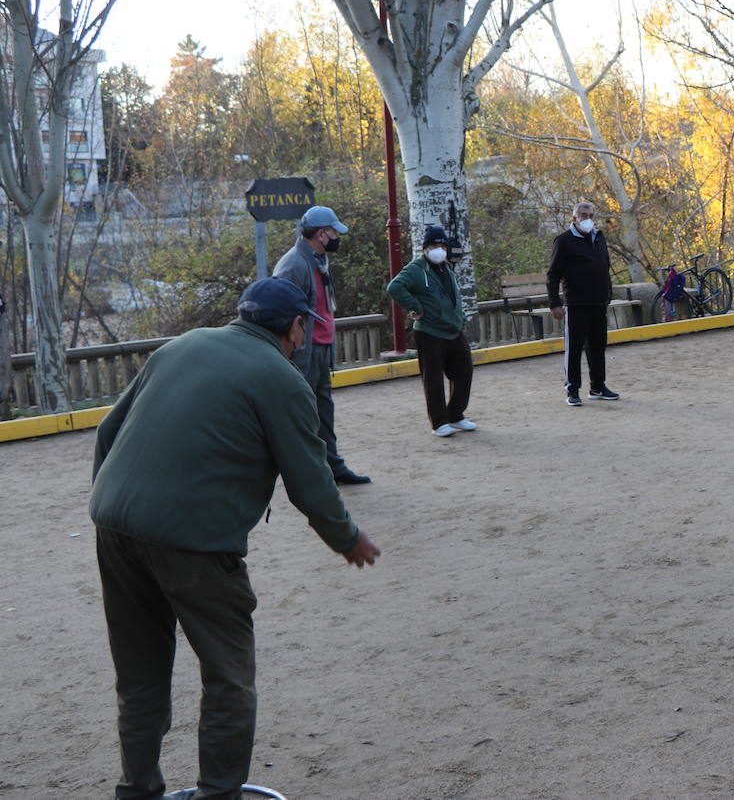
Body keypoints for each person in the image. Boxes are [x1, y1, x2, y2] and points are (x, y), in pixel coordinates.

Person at [90, 277, 381, 800]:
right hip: (196, 542)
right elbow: (310, 482)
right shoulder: (282, 378)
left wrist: (118, 505)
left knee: (139, 674)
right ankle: (220, 794)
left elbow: (109, 431)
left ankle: (137, 791)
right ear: (295, 326)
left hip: (114, 526)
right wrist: (347, 537)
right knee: (228, 676)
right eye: (303, 329)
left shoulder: (180, 346)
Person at [273, 204, 369, 484]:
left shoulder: (317, 260)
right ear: (321, 234)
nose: (338, 236)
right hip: (305, 351)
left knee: (323, 412)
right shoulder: (293, 264)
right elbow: (281, 312)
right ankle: (308, 474)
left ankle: (333, 467)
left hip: (320, 346)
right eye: (334, 231)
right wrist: (295, 350)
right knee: (303, 414)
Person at [387, 225, 476, 437]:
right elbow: (395, 287)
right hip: (430, 331)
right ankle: (439, 422)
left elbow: (454, 296)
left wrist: (461, 318)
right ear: (426, 248)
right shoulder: (416, 268)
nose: (440, 249)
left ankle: (456, 414)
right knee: (433, 378)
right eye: (435, 246)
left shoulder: (447, 267)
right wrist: (416, 306)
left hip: (453, 329)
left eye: (442, 245)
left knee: (464, 371)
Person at [547, 200, 619, 407]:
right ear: (575, 218)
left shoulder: (599, 237)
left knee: (598, 347)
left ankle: (598, 386)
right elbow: (553, 274)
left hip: (598, 302)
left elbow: (605, 266)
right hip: (576, 303)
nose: (588, 219)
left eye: (591, 215)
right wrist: (555, 303)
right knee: (575, 348)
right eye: (584, 215)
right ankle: (572, 389)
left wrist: (608, 295)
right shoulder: (564, 241)